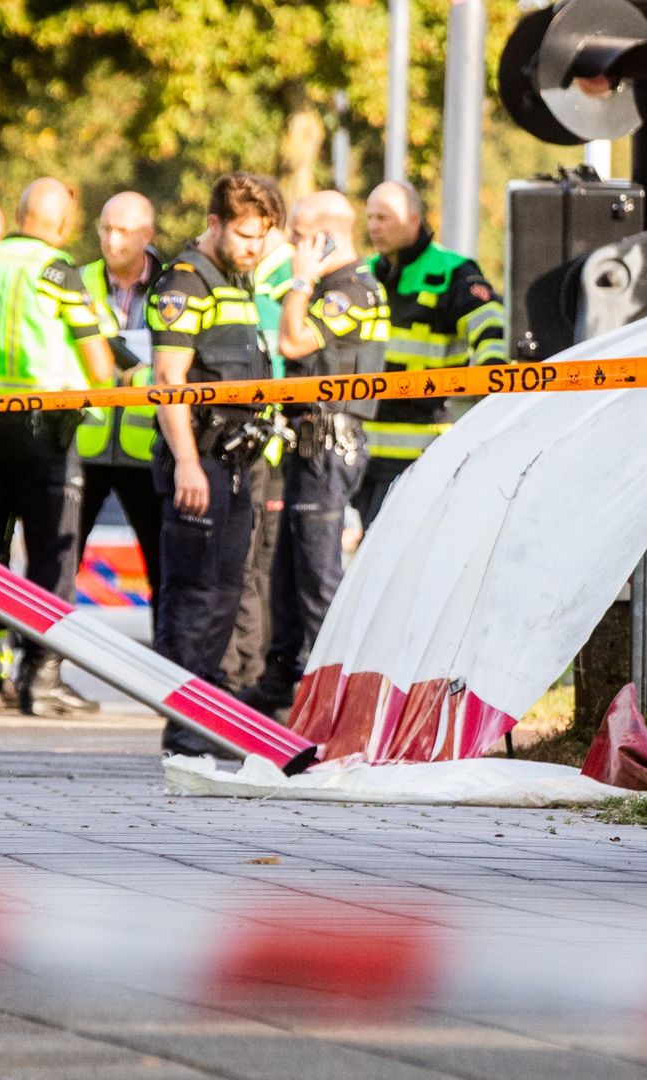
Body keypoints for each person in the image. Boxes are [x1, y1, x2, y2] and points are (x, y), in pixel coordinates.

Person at [0, 177, 114, 716]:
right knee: (52, 557)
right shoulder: (59, 270)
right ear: (62, 224)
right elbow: (98, 362)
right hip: (46, 425)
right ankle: (41, 678)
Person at [147, 171, 284, 755]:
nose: (256, 249)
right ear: (214, 225)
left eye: (263, 238)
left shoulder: (238, 282)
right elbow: (167, 380)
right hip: (198, 459)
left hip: (237, 461)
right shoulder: (185, 283)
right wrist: (185, 463)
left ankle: (212, 712)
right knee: (193, 595)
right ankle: (185, 725)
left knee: (229, 591)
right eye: (247, 236)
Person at [238, 191, 387, 714]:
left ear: (324, 238)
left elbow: (295, 343)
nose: (291, 247)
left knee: (318, 579)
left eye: (299, 237)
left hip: (329, 444)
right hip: (307, 444)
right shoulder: (331, 288)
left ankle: (344, 703)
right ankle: (279, 686)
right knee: (287, 574)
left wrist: (300, 281)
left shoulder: (352, 291)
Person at [355, 179, 508, 524]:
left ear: (413, 218)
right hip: (366, 448)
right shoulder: (365, 274)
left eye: (384, 218)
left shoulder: (451, 272)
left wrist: (491, 375)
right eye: (370, 218)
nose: (374, 227)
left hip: (421, 448)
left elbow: (489, 324)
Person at [75, 191, 164, 618]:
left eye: (125, 231)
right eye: (106, 229)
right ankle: (40, 668)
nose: (112, 241)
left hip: (146, 449)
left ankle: (169, 668)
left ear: (147, 234)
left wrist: (138, 375)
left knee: (163, 565)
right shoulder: (76, 280)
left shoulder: (172, 287)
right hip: (84, 444)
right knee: (59, 563)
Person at [221, 227, 293, 690]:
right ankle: (243, 675)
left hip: (269, 449)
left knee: (256, 568)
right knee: (250, 568)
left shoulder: (282, 281)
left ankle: (248, 676)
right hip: (253, 447)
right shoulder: (244, 281)